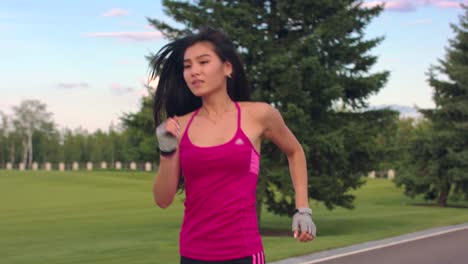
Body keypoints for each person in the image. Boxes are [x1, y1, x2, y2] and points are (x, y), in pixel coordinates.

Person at [150, 27, 316, 264]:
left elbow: (295, 151)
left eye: (203, 62)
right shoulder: (179, 127)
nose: (194, 71)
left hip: (244, 253)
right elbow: (162, 200)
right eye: (187, 66)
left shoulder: (259, 115)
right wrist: (167, 150)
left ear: (227, 68)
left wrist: (303, 209)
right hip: (192, 254)